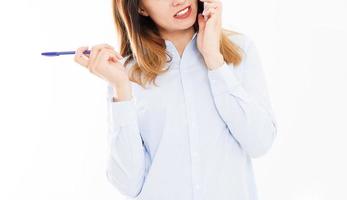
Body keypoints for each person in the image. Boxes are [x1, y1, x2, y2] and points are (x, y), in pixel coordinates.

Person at [74, 0, 278, 199]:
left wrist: (215, 61)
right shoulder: (125, 75)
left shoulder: (240, 50)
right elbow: (128, 184)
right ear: (140, 7)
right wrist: (121, 88)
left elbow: (260, 142)